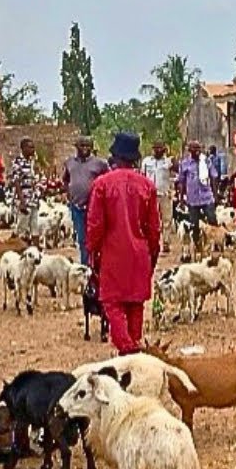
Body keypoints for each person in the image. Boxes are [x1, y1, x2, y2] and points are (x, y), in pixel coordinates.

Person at [87, 133, 161, 355]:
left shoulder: (102, 184)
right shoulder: (147, 186)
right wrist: (153, 255)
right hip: (140, 253)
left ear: (115, 156)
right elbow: (154, 229)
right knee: (135, 304)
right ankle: (133, 352)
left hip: (112, 254)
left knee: (112, 304)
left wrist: (92, 252)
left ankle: (128, 350)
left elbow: (95, 225)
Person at [63, 137, 110, 266]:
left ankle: (98, 264)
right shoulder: (69, 162)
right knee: (82, 238)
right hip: (77, 207)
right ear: (76, 146)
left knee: (96, 237)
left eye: (88, 146)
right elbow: (66, 179)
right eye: (82, 145)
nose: (85, 148)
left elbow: (108, 180)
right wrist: (68, 192)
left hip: (94, 207)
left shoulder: (100, 164)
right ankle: (86, 266)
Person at [176, 140, 219, 243]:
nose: (197, 150)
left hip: (206, 197)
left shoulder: (206, 161)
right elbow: (182, 182)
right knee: (194, 224)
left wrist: (215, 195)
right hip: (192, 199)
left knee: (212, 220)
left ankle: (214, 243)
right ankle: (197, 245)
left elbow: (213, 177)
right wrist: (181, 199)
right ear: (189, 150)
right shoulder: (185, 163)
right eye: (194, 148)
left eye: (198, 148)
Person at [141, 141, 175, 250]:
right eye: (156, 148)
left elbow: (175, 171)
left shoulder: (168, 162)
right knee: (151, 220)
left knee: (167, 219)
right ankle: (152, 242)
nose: (158, 150)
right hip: (150, 195)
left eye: (160, 148)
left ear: (164, 150)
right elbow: (142, 176)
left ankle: (166, 242)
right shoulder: (146, 161)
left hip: (165, 194)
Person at [9, 138, 39, 242]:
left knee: (35, 227)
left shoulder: (31, 162)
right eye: (30, 147)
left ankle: (36, 248)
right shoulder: (18, 162)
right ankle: (19, 247)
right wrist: (22, 202)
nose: (33, 149)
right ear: (23, 148)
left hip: (33, 200)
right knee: (22, 228)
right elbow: (16, 182)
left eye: (33, 147)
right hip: (24, 200)